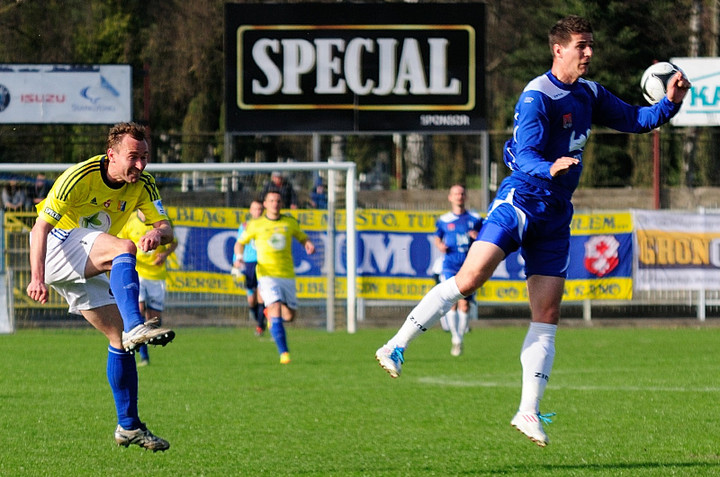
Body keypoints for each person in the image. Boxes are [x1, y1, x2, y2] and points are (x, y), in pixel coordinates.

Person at [375, 15, 690, 447]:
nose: (589, 53)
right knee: (469, 279)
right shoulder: (536, 96)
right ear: (557, 49)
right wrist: (550, 166)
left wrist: (670, 104)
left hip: (557, 214)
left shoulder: (591, 93)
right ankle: (396, 344)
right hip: (521, 200)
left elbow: (636, 119)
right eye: (581, 45)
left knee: (547, 314)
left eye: (591, 44)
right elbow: (522, 155)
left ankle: (527, 411)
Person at [26, 122, 177, 451]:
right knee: (125, 248)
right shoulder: (80, 176)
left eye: (145, 157)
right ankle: (138, 326)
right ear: (112, 155)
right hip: (55, 246)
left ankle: (129, 426)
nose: (139, 165)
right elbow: (40, 229)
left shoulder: (144, 185)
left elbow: (168, 229)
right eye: (132, 157)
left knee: (118, 338)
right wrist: (36, 277)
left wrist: (157, 233)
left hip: (86, 259)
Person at [236, 191, 315, 364]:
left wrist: (307, 243)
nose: (275, 204)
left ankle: (270, 317)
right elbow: (240, 243)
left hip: (286, 275)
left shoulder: (289, 222)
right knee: (275, 306)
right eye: (271, 200)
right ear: (265, 204)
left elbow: (302, 236)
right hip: (266, 274)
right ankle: (284, 353)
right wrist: (239, 258)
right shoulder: (256, 225)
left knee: (290, 317)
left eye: (278, 200)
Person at [118, 209, 178, 366]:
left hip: (157, 275)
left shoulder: (161, 219)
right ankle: (143, 356)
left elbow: (174, 242)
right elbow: (121, 244)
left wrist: (164, 255)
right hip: (137, 272)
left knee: (154, 320)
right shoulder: (129, 220)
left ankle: (146, 343)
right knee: (138, 311)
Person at [434, 184, 483, 357]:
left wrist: (477, 237)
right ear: (450, 197)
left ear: (465, 197)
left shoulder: (475, 218)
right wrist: (440, 245)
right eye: (455, 194)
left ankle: (460, 337)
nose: (459, 196)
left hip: (469, 264)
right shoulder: (444, 220)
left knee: (464, 303)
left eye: (462, 193)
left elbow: (484, 236)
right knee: (451, 301)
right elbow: (437, 237)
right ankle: (455, 338)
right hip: (450, 265)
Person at [232, 199, 266, 336]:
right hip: (249, 264)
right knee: (251, 299)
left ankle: (260, 326)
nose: (257, 211)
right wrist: (236, 260)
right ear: (251, 211)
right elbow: (239, 244)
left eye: (260, 209)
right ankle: (260, 320)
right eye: (255, 209)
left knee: (261, 296)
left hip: (263, 262)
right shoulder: (245, 226)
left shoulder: (266, 225)